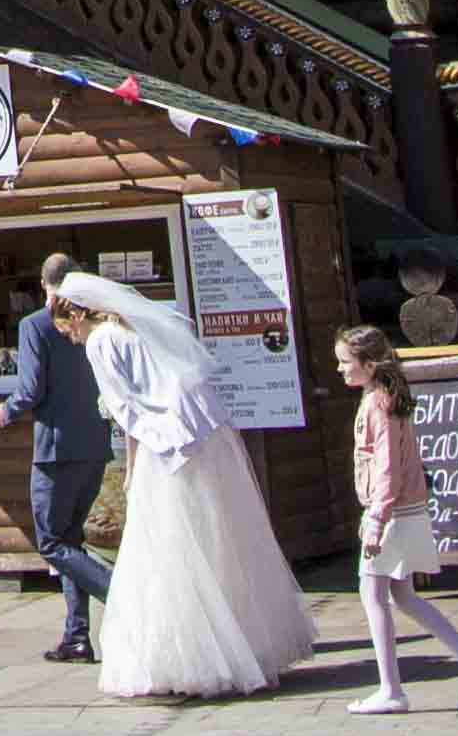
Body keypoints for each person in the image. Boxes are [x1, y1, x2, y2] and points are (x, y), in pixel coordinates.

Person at [41, 269, 306, 698]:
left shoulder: (100, 341)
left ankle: (187, 657)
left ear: (76, 318)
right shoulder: (132, 327)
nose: (69, 339)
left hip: (168, 447)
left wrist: (130, 467)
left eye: (66, 330)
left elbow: (126, 410)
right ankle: (244, 645)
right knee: (218, 539)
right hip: (203, 433)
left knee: (168, 546)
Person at [335, 325, 458, 714]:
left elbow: (387, 466)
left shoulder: (378, 403)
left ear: (369, 364)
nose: (340, 369)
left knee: (372, 594)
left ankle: (391, 689)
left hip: (391, 511)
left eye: (345, 362)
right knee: (402, 594)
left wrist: (375, 516)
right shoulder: (385, 397)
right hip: (402, 508)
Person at [0, 256, 113, 666]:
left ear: (44, 285)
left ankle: (119, 593)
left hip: (56, 452)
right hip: (94, 446)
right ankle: (77, 637)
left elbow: (30, 389)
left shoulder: (35, 326)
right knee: (71, 541)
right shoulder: (98, 322)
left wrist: (5, 410)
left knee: (53, 543)